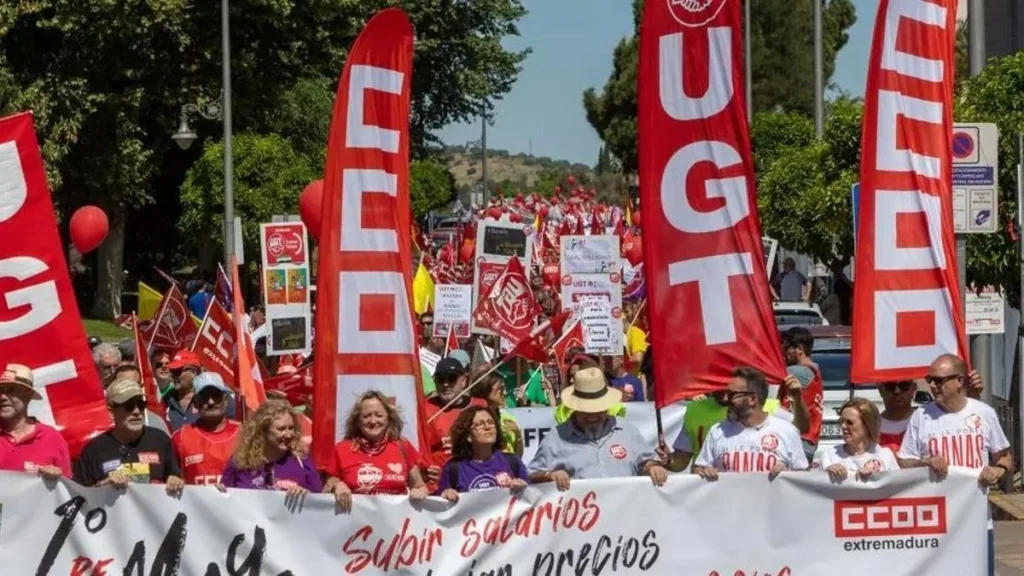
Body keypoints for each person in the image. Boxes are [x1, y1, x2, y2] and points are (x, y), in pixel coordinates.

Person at [897, 354, 1012, 576]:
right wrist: (925, 461)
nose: (932, 385)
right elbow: (904, 461)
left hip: (975, 521)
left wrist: (997, 470)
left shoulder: (983, 413)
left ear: (959, 380)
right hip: (934, 523)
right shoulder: (921, 417)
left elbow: (1004, 457)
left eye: (938, 380)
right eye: (930, 379)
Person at [528, 367, 668, 490]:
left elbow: (644, 461)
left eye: (598, 410)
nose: (592, 416)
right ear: (574, 408)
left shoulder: (626, 430)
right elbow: (532, 474)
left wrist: (653, 467)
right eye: (586, 411)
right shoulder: (556, 437)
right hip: (582, 517)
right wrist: (550, 475)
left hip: (626, 515)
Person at [661, 375, 803, 473]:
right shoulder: (695, 410)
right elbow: (682, 459)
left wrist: (797, 399)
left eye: (726, 385)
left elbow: (800, 428)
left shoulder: (764, 405)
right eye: (717, 384)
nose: (724, 392)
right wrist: (669, 461)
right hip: (714, 497)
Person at [692, 367, 808, 480]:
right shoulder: (717, 431)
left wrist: (787, 475)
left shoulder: (787, 431)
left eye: (732, 394)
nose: (726, 399)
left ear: (753, 399)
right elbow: (699, 470)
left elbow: (802, 480)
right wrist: (703, 472)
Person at [322, 390, 428, 511]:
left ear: (389, 418)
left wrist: (419, 491)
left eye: (379, 415)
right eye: (366, 416)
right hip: (354, 525)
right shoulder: (342, 449)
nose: (373, 421)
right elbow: (327, 486)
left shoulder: (403, 446)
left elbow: (420, 486)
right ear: (357, 421)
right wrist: (337, 485)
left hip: (396, 523)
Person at [74, 379, 184, 493]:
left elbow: (177, 480)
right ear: (111, 412)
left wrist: (175, 481)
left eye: (141, 405)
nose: (136, 411)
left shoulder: (160, 440)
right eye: (129, 406)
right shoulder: (93, 450)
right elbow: (80, 496)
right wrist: (102, 487)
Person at [221, 399, 322, 495]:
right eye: (281, 429)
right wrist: (218, 492)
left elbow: (318, 502)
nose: (288, 435)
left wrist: (305, 494)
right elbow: (225, 499)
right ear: (263, 431)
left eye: (291, 428)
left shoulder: (302, 460)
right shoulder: (240, 461)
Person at [439, 406, 528, 501]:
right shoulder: (453, 468)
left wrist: (523, 488)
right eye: (480, 424)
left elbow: (532, 499)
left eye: (491, 423)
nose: (488, 427)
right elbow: (440, 507)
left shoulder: (512, 462)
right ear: (468, 436)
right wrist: (446, 495)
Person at [422, 358, 486, 489]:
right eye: (440, 379)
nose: (446, 384)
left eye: (451, 379)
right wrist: (424, 468)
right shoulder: (425, 408)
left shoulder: (480, 405)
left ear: (463, 381)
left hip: (474, 479)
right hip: (438, 484)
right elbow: (418, 449)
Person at [0, 364, 70, 478]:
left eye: (11, 390)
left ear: (28, 395)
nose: (2, 396)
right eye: (0, 390)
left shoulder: (52, 438)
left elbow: (67, 490)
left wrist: (57, 479)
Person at [171, 373, 240, 485]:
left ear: (226, 400)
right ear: (195, 403)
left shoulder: (244, 434)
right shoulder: (180, 438)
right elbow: (171, 477)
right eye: (204, 397)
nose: (211, 402)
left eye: (216, 395)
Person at [813, 398, 898, 481]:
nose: (843, 426)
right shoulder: (830, 456)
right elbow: (819, 489)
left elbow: (898, 486)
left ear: (867, 425)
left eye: (850, 423)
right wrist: (827, 473)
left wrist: (874, 478)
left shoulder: (885, 455)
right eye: (841, 421)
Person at [778, 327, 822, 460]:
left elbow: (768, 374)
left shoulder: (800, 372)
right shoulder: (813, 370)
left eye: (785, 348)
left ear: (800, 349)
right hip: (804, 441)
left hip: (799, 441)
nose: (783, 353)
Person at [471, 371, 524, 456]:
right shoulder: (473, 420)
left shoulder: (507, 418)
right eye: (500, 389)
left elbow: (518, 457)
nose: (505, 393)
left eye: (504, 389)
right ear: (486, 390)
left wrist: (518, 437)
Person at [111, 364, 171, 435]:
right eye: (125, 384)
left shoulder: (155, 422)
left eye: (136, 383)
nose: (131, 388)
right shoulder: (101, 422)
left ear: (141, 386)